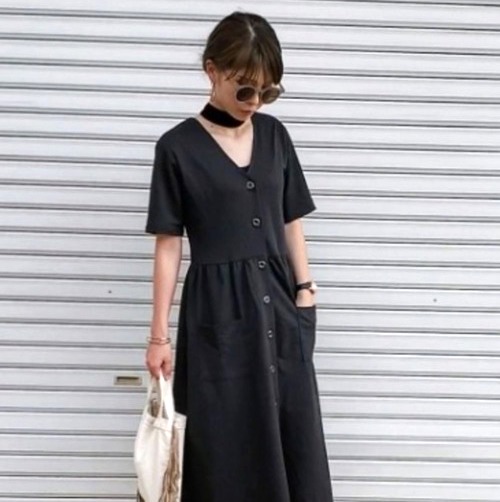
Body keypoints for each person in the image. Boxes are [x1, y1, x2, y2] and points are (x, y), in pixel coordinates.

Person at [144, 11, 334, 502]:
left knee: (294, 436)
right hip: (217, 315)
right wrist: (159, 336)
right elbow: (169, 244)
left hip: (281, 307)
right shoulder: (177, 148)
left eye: (267, 92)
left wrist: (306, 291)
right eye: (245, 89)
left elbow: (292, 219)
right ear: (212, 70)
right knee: (224, 446)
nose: (254, 103)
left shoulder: (274, 137)